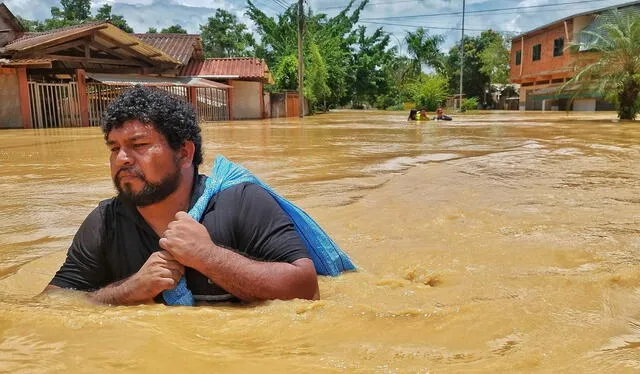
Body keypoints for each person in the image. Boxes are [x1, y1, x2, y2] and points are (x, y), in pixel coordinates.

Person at [43, 85, 319, 305]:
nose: (122, 159)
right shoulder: (105, 222)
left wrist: (208, 257)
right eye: (114, 148)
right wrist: (129, 290)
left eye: (139, 145)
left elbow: (306, 288)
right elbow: (52, 304)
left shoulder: (242, 202)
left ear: (184, 153)